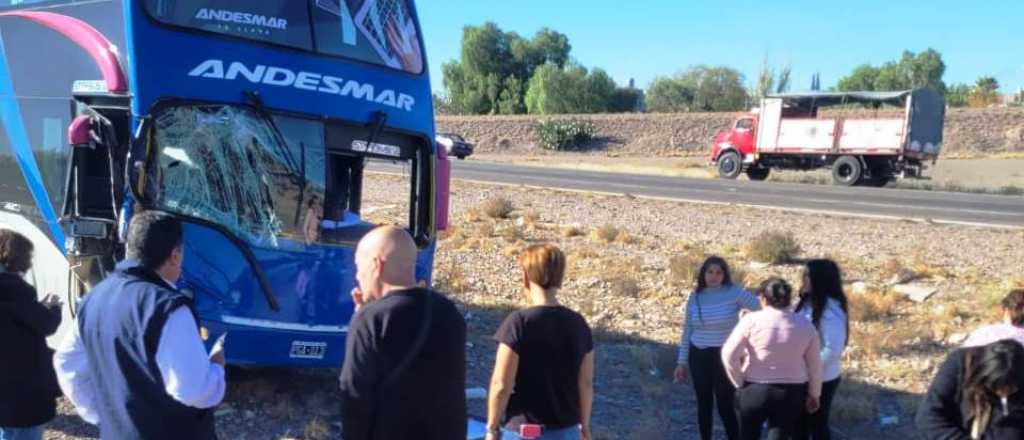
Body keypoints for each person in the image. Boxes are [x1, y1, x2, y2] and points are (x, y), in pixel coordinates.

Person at [53, 211, 226, 439]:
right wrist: (216, 367)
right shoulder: (169, 309)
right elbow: (194, 391)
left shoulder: (93, 298)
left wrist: (102, 416)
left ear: (130, 248)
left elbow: (67, 364)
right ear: (175, 256)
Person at [339, 226, 466, 440]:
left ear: (376, 265)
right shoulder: (448, 311)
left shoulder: (372, 319)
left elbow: (354, 396)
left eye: (359, 268)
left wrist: (361, 318)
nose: (358, 277)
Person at [486, 244, 595, 440]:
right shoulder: (579, 324)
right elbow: (586, 383)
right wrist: (584, 427)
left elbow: (501, 384)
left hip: (525, 431)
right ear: (560, 278)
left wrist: (492, 428)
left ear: (525, 277)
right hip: (567, 431)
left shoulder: (518, 323)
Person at [721, 277, 823, 440]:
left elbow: (729, 353)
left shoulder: (750, 320)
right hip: (791, 392)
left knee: (748, 435)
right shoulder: (805, 324)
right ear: (788, 299)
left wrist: (739, 381)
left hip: (754, 388)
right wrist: (814, 393)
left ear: (763, 298)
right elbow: (815, 365)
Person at [673, 256, 760, 440]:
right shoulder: (695, 297)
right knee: (703, 403)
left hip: (724, 356)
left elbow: (762, 308)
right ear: (703, 274)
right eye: (710, 272)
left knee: (725, 403)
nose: (714, 276)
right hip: (698, 355)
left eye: (718, 272)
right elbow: (687, 330)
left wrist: (749, 335)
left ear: (724, 275)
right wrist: (681, 362)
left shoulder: (734, 293)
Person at [0, 230, 62, 440]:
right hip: (22, 394)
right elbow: (46, 324)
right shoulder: (15, 290)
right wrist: (54, 308)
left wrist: (37, 307)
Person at [916, 339, 1024, 439]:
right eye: (996, 387)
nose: (1003, 394)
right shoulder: (960, 364)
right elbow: (928, 417)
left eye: (1012, 389)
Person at [793, 259, 850, 440]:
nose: (803, 279)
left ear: (820, 280)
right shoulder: (807, 302)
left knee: (817, 425)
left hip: (821, 378)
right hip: (803, 376)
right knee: (799, 425)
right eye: (803, 275)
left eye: (808, 276)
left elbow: (832, 349)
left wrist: (808, 370)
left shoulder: (830, 311)